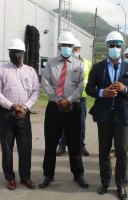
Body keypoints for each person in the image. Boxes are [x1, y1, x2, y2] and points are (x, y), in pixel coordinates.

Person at [86, 31, 128, 200]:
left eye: (118, 46)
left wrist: (125, 89)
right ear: (107, 47)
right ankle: (104, 182)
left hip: (123, 116)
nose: (115, 49)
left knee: (123, 152)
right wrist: (102, 92)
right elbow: (89, 89)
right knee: (103, 151)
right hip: (104, 116)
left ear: (121, 48)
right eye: (112, 45)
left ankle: (121, 185)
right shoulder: (98, 67)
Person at [40, 31, 89, 189]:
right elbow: (45, 82)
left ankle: (78, 175)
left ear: (73, 47)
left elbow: (80, 86)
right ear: (59, 46)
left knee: (74, 144)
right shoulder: (51, 63)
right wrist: (57, 99)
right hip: (54, 108)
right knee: (50, 143)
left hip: (72, 109)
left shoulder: (78, 64)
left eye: (69, 45)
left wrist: (68, 100)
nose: (66, 48)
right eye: (64, 45)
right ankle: (48, 175)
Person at [0, 38, 40, 190]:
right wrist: (12, 106)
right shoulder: (1, 70)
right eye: (14, 52)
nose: (17, 55)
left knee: (25, 147)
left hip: (24, 114)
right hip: (5, 114)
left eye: (19, 52)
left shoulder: (30, 71)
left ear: (24, 53)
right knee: (7, 147)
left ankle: (26, 177)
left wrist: (24, 107)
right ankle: (10, 178)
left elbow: (35, 91)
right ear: (9, 53)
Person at [56, 39, 91, 156]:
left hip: (81, 99)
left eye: (77, 49)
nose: (75, 51)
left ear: (80, 49)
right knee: (63, 123)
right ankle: (62, 146)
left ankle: (81, 146)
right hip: (66, 98)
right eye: (73, 49)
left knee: (81, 124)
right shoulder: (64, 62)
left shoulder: (87, 63)